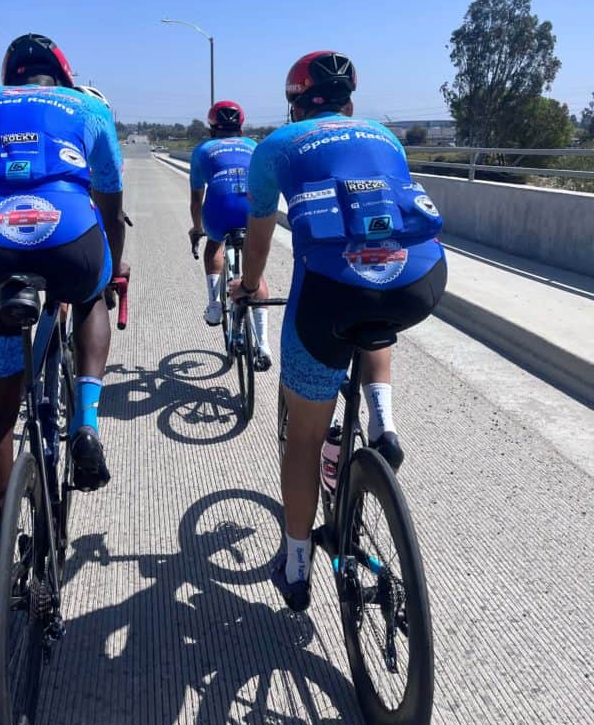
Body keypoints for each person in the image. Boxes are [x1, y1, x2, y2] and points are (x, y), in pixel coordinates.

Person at [231, 51, 446, 612]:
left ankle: (297, 564)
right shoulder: (384, 136)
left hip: (327, 295)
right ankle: (384, 423)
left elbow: (257, 241)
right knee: (377, 315)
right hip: (419, 278)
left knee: (303, 438)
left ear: (294, 103)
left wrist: (250, 287)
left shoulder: (275, 147)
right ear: (350, 103)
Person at [0, 33, 128, 610]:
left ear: (9, 78)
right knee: (93, 292)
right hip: (68, 240)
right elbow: (109, 199)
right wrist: (112, 268)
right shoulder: (89, 108)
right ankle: (87, 418)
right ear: (63, 77)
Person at [189, 100, 272, 370]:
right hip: (251, 210)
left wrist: (197, 228)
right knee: (254, 271)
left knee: (214, 245)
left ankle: (214, 305)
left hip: (220, 211)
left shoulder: (203, 149)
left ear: (212, 128)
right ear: (241, 128)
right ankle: (263, 345)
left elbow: (195, 198)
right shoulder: (253, 146)